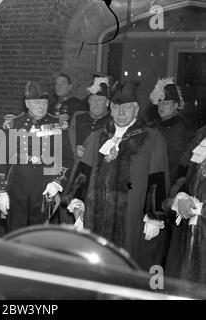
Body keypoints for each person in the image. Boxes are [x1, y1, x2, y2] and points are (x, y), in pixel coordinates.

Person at [68, 80, 170, 271]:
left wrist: (155, 216)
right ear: (110, 108)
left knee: (129, 270)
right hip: (96, 217)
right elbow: (83, 172)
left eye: (127, 108)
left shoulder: (151, 139)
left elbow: (157, 178)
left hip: (131, 221)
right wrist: (78, 204)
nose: (121, 113)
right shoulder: (98, 136)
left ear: (136, 108)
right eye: (116, 107)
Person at [0, 80, 74, 231]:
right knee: (15, 232)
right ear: (27, 103)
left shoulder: (56, 124)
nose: (41, 107)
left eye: (44, 103)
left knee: (42, 234)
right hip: (17, 185)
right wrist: (2, 191)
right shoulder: (15, 124)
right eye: (36, 103)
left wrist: (57, 183)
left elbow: (67, 158)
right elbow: (3, 159)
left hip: (46, 186)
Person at [61, 75, 112, 223]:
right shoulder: (78, 117)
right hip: (73, 176)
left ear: (107, 103)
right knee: (67, 220)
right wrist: (74, 151)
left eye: (100, 101)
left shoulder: (112, 123)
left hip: (95, 179)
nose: (95, 104)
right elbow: (67, 144)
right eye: (92, 100)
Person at [164, 125, 206, 284]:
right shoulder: (201, 135)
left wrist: (200, 209)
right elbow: (186, 179)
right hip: (191, 232)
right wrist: (180, 197)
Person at [149, 77, 196, 189]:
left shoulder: (186, 128)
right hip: (153, 181)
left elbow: (190, 162)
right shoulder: (153, 126)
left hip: (173, 185)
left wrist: (179, 184)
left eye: (166, 103)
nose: (161, 107)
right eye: (159, 103)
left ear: (176, 105)